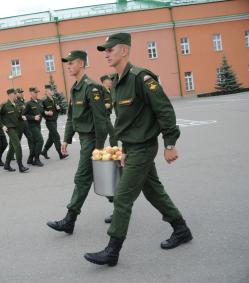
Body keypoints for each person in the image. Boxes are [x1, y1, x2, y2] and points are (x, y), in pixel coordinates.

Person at [83, 33, 192, 266]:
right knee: (153, 191)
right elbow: (126, 121)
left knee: (122, 197)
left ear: (124, 50)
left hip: (144, 147)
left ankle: (112, 251)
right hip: (132, 147)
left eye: (110, 50)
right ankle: (181, 229)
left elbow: (164, 110)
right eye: (105, 51)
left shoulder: (140, 78)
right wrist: (123, 149)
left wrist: (170, 143)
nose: (106, 54)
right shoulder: (116, 81)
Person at [46, 50, 107, 234]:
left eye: (71, 63)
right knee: (101, 175)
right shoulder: (75, 87)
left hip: (92, 139)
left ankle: (69, 219)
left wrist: (98, 148)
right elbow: (72, 117)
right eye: (67, 63)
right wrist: (66, 139)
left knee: (82, 178)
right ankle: (120, 201)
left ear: (81, 63)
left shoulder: (92, 87)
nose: (68, 66)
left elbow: (101, 120)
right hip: (83, 138)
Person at [0, 88, 29, 173]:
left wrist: (22, 117)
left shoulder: (16, 104)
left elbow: (17, 115)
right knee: (17, 145)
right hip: (9, 128)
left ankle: (7, 164)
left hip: (17, 127)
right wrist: (2, 126)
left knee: (12, 147)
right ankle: (20, 166)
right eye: (14, 94)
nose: (16, 95)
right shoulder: (4, 105)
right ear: (10, 95)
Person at [100, 74, 119, 224]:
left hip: (106, 117)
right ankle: (111, 148)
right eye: (109, 81)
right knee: (111, 133)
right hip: (104, 117)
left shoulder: (108, 90)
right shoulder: (102, 90)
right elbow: (103, 104)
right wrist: (108, 105)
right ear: (104, 82)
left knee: (111, 133)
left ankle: (111, 148)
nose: (110, 83)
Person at [41, 84, 69, 160]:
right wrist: (46, 112)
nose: (52, 91)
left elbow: (59, 110)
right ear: (47, 92)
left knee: (51, 138)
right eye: (50, 90)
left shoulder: (55, 99)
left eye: (52, 90)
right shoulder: (44, 101)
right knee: (56, 136)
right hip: (49, 122)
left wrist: (58, 108)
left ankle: (44, 151)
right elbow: (40, 111)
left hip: (55, 121)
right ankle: (61, 154)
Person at [23, 87, 44, 166]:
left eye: (37, 92)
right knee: (40, 141)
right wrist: (33, 117)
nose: (36, 94)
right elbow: (23, 115)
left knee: (35, 142)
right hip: (32, 126)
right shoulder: (28, 103)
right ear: (31, 93)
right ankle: (37, 159)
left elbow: (42, 111)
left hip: (38, 125)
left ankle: (30, 159)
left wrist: (46, 112)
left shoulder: (39, 102)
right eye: (35, 93)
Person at [15, 88, 34, 161]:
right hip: (19, 125)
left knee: (31, 139)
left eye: (22, 92)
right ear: (16, 94)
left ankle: (31, 157)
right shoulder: (16, 102)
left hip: (25, 124)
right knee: (17, 142)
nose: (21, 93)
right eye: (19, 92)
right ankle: (12, 156)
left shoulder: (23, 101)